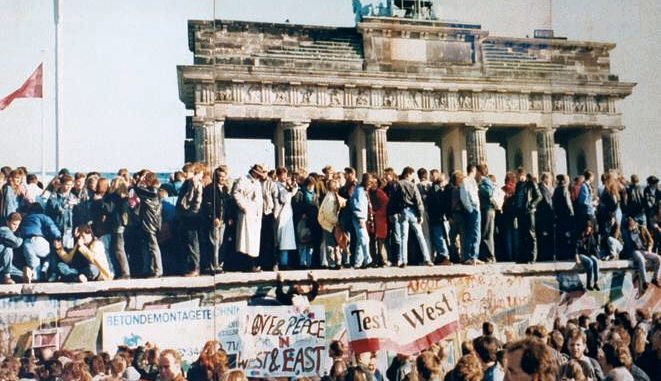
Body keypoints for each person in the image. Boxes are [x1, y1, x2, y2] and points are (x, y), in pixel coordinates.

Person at [232, 164, 266, 272]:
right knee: (246, 239)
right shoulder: (243, 180)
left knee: (254, 240)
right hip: (247, 211)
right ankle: (247, 264)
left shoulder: (257, 183)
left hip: (256, 214)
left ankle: (252, 263)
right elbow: (236, 193)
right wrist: (243, 206)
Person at [200, 166, 233, 274]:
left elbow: (227, 204)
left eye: (224, 176)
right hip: (214, 220)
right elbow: (208, 205)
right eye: (220, 176)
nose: (222, 178)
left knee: (220, 243)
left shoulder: (224, 189)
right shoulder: (210, 188)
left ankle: (219, 264)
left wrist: (229, 218)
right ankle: (214, 265)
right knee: (214, 243)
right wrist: (213, 217)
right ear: (216, 177)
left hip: (223, 220)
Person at [19, 202, 62, 282]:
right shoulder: (42, 216)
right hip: (39, 240)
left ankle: (33, 274)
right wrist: (58, 236)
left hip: (27, 243)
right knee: (51, 251)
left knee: (34, 267)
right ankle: (45, 268)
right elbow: (52, 227)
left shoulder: (25, 218)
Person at [176, 163, 204, 277]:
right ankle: (191, 266)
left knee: (193, 243)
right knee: (188, 242)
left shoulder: (195, 183)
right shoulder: (188, 183)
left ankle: (195, 267)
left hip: (192, 216)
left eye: (186, 172)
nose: (184, 174)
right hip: (186, 215)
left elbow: (198, 199)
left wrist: (193, 212)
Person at [134, 171, 163, 278]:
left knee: (153, 247)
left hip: (149, 222)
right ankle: (151, 269)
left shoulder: (151, 193)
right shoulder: (156, 192)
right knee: (149, 247)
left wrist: (139, 179)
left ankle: (158, 270)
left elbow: (136, 189)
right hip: (153, 221)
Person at [624, 217, 660, 294]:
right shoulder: (628, 232)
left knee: (658, 258)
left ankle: (655, 278)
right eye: (629, 228)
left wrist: (649, 249)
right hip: (635, 251)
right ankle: (644, 282)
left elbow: (650, 240)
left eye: (631, 228)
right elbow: (628, 246)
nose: (630, 230)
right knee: (641, 259)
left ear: (633, 225)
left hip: (645, 250)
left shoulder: (642, 228)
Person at [513, 169, 542, 264]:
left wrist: (532, 205)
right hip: (520, 212)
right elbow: (517, 198)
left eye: (518, 175)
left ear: (523, 175)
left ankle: (532, 257)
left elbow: (539, 196)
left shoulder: (531, 184)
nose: (517, 177)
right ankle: (522, 257)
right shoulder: (518, 185)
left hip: (529, 212)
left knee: (531, 234)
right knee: (522, 234)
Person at [105, 177, 131, 279]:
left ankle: (125, 272)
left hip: (117, 225)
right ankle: (124, 271)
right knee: (120, 248)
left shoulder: (114, 197)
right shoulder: (125, 198)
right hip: (123, 225)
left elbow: (109, 209)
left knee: (119, 249)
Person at [318, 178, 345, 269]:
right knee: (331, 245)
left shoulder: (333, 195)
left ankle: (337, 262)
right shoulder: (330, 197)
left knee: (336, 244)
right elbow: (328, 213)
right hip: (329, 224)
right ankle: (333, 263)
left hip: (331, 224)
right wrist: (336, 221)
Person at [46, 174, 79, 249]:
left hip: (69, 231)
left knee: (68, 253)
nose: (69, 187)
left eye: (71, 185)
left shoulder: (73, 197)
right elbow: (54, 209)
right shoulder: (54, 197)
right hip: (56, 229)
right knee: (55, 252)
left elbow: (77, 215)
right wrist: (67, 204)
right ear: (61, 184)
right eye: (67, 185)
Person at [349, 173, 373, 269]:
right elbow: (357, 205)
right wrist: (360, 218)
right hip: (359, 218)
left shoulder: (360, 190)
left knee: (360, 240)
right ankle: (368, 260)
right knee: (365, 239)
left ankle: (357, 263)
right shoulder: (359, 191)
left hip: (361, 218)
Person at [426, 172, 451, 265]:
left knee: (438, 236)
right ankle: (444, 255)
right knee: (440, 237)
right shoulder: (439, 191)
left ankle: (443, 255)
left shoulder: (433, 190)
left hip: (435, 217)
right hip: (438, 217)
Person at [460, 165, 481, 265]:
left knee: (477, 233)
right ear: (473, 170)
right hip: (472, 210)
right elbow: (464, 197)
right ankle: (468, 256)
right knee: (470, 233)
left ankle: (474, 256)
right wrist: (470, 209)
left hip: (476, 209)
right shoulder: (466, 181)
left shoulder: (473, 182)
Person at [477, 164, 496, 263]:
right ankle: (489, 256)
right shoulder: (486, 181)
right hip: (487, 209)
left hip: (487, 209)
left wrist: (479, 187)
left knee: (486, 233)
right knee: (487, 233)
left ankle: (489, 256)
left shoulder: (485, 181)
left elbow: (488, 192)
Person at [369, 177, 390, 267]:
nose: (373, 185)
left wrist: (376, 212)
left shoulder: (380, 193)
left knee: (380, 242)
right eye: (371, 183)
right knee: (372, 242)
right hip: (372, 220)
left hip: (380, 220)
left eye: (375, 183)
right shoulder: (369, 193)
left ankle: (383, 260)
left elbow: (385, 205)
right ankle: (374, 261)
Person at [553, 174, 575, 261]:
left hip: (558, 216)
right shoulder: (564, 189)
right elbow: (568, 203)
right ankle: (567, 254)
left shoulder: (556, 190)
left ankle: (560, 254)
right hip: (565, 216)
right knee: (566, 235)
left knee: (560, 236)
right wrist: (572, 214)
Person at [575, 221, 601, 290]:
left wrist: (598, 257)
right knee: (590, 262)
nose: (588, 229)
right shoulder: (580, 236)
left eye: (589, 228)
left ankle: (596, 282)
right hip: (581, 254)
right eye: (587, 227)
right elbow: (576, 248)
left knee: (595, 261)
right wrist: (577, 258)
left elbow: (594, 248)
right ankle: (589, 284)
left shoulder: (591, 236)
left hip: (589, 254)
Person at [0, 212, 24, 284]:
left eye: (18, 225)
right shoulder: (4, 229)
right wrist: (21, 237)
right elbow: (17, 243)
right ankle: (7, 277)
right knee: (8, 249)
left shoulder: (11, 232)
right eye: (14, 224)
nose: (16, 227)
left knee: (21, 274)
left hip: (2, 265)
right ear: (7, 222)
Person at [536, 172, 555, 262]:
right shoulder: (542, 188)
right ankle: (544, 255)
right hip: (544, 215)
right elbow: (547, 202)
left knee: (548, 236)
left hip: (548, 216)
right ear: (545, 179)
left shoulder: (549, 188)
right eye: (549, 178)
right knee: (544, 236)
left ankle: (548, 254)